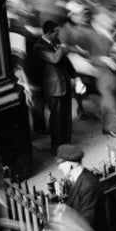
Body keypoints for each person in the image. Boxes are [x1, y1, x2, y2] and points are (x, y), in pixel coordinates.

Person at [34, 20, 79, 155]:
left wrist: (75, 76)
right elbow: (54, 59)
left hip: (64, 85)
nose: (58, 35)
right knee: (57, 120)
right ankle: (57, 148)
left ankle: (67, 143)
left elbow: (65, 61)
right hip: (53, 89)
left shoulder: (56, 42)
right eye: (56, 32)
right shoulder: (39, 47)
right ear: (48, 33)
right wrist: (61, 47)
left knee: (66, 118)